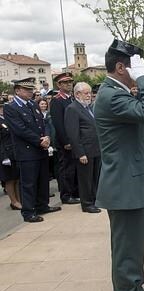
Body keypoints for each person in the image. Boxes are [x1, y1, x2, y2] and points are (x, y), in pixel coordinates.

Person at [93, 39, 144, 291]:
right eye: (134, 66)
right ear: (121, 67)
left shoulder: (118, 92)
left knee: (134, 245)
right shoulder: (111, 95)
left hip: (130, 183)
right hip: (123, 186)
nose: (138, 71)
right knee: (126, 249)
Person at [3, 78, 61, 223]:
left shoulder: (32, 105)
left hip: (41, 148)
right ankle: (28, 211)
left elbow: (43, 122)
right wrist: (39, 140)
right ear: (17, 90)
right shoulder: (11, 107)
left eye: (31, 90)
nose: (30, 92)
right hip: (27, 151)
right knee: (28, 183)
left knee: (42, 180)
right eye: (27, 90)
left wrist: (47, 136)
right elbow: (20, 129)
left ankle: (42, 205)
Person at [64, 82, 101, 214]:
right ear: (77, 94)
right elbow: (73, 134)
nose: (89, 95)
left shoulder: (88, 108)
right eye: (86, 93)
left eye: (90, 93)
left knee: (95, 177)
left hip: (95, 149)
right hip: (85, 151)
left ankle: (95, 199)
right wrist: (80, 153)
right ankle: (87, 203)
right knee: (85, 179)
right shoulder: (72, 109)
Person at [50, 72, 80, 205]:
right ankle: (66, 195)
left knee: (74, 168)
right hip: (65, 141)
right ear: (59, 84)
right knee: (66, 168)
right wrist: (66, 141)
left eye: (70, 82)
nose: (69, 84)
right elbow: (58, 123)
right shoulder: (57, 100)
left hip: (75, 139)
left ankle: (74, 192)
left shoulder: (72, 99)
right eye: (65, 82)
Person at [0, 102, 21, 210]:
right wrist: (3, 156)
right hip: (5, 153)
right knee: (9, 179)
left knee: (17, 178)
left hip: (14, 151)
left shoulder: (7, 118)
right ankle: (14, 201)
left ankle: (19, 200)